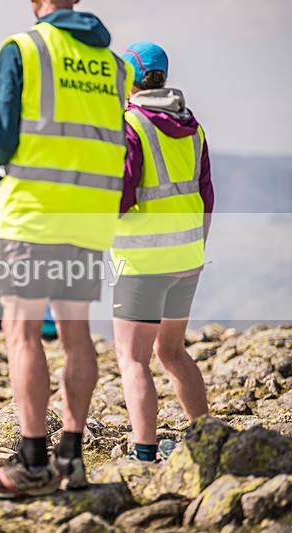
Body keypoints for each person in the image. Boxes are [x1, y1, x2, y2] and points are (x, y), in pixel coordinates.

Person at [0, 0, 133, 498]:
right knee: (77, 333)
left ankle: (32, 462)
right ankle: (70, 459)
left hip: (33, 214)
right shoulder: (114, 65)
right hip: (90, 215)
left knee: (22, 333)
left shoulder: (24, 48)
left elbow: (4, 138)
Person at [111, 42, 212, 463]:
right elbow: (206, 196)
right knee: (171, 351)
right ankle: (207, 437)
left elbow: (120, 195)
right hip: (188, 260)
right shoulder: (194, 127)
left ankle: (145, 452)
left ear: (131, 79)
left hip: (142, 262)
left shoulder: (131, 126)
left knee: (133, 359)